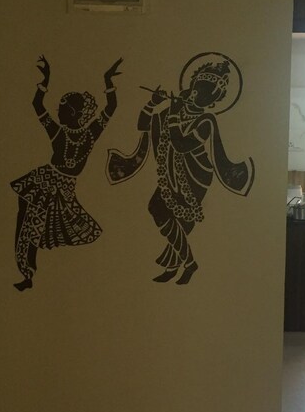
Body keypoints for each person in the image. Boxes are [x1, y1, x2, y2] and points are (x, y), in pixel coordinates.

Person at [107, 54, 254, 285]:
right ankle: (188, 263)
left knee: (182, 220)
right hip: (169, 172)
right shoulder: (170, 112)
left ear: (212, 100)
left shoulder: (206, 120)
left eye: (205, 93)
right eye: (198, 88)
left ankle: (177, 265)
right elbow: (143, 125)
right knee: (157, 208)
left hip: (196, 175)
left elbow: (182, 144)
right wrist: (152, 104)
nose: (197, 94)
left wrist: (174, 113)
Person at [11, 55, 123, 291]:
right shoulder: (61, 132)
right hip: (45, 180)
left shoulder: (88, 133)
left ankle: (29, 271)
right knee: (28, 221)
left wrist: (108, 81)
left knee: (44, 225)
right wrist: (45, 81)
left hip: (63, 186)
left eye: (63, 110)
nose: (59, 113)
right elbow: (37, 105)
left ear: (75, 114)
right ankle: (27, 272)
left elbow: (111, 108)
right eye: (60, 109)